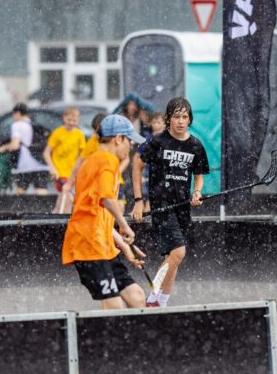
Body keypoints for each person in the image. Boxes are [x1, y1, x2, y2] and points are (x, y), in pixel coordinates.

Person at [61, 114, 147, 310]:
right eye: (129, 141)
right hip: (88, 246)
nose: (130, 146)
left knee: (137, 297)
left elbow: (97, 212)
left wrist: (124, 246)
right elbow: (107, 199)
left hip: (103, 246)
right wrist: (125, 226)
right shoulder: (108, 161)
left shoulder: (92, 162)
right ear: (118, 138)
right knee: (115, 306)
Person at [130, 97, 209, 308]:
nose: (180, 121)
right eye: (176, 117)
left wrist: (197, 192)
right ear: (168, 119)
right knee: (179, 252)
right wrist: (138, 200)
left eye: (184, 117)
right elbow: (137, 165)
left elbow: (199, 175)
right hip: (162, 207)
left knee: (174, 259)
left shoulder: (195, 145)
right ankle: (152, 298)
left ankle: (160, 303)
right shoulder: (157, 141)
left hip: (182, 208)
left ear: (190, 119)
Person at [0, 103, 50, 194]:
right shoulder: (33, 124)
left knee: (20, 193)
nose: (13, 116)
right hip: (40, 162)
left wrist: (3, 148)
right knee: (41, 192)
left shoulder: (17, 125)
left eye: (13, 114)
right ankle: (43, 204)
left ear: (17, 113)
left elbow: (15, 145)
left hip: (26, 164)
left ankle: (21, 204)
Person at [44, 106, 87, 214]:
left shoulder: (79, 135)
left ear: (78, 120)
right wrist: (52, 168)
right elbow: (46, 153)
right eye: (69, 120)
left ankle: (55, 214)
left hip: (72, 173)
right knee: (68, 197)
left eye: (74, 120)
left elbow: (84, 155)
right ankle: (63, 219)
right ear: (64, 118)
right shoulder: (57, 133)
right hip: (60, 172)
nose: (71, 123)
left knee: (64, 197)